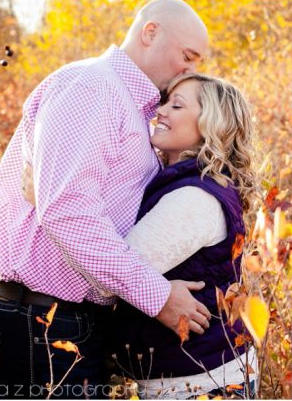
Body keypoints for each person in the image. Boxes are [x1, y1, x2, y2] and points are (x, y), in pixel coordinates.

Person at [0, 0, 211, 398]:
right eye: (187, 57)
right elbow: (69, 212)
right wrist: (157, 298)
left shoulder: (135, 109)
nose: (191, 71)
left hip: (67, 321)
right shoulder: (93, 88)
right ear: (150, 33)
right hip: (41, 321)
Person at [110, 73, 257, 399]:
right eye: (164, 101)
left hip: (200, 382)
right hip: (192, 375)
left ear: (209, 125)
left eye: (176, 105)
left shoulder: (194, 197)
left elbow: (110, 271)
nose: (160, 111)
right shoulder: (185, 181)